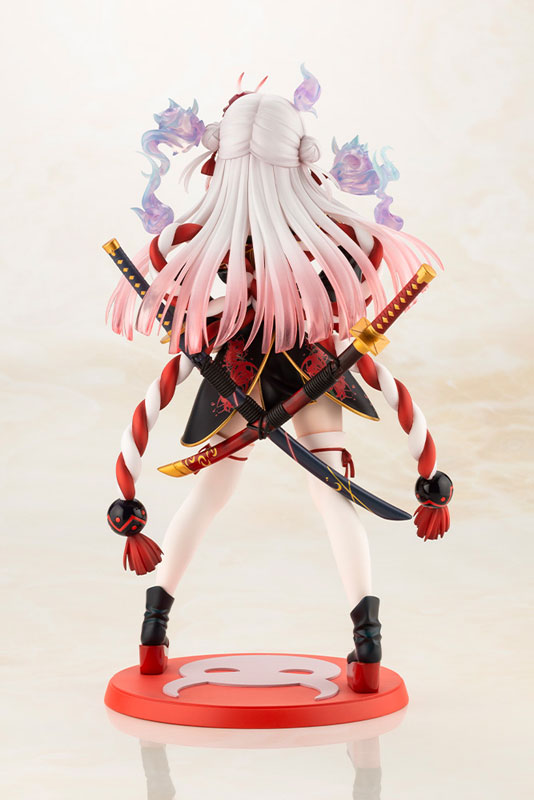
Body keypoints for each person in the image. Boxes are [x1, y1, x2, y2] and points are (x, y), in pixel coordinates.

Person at [106, 88, 449, 692]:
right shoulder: (325, 228)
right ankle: (366, 641)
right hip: (297, 368)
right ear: (297, 155)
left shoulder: (200, 230)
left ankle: (153, 633)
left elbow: (164, 270)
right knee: (326, 495)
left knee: (216, 495)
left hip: (246, 367)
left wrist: (218, 316)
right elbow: (364, 260)